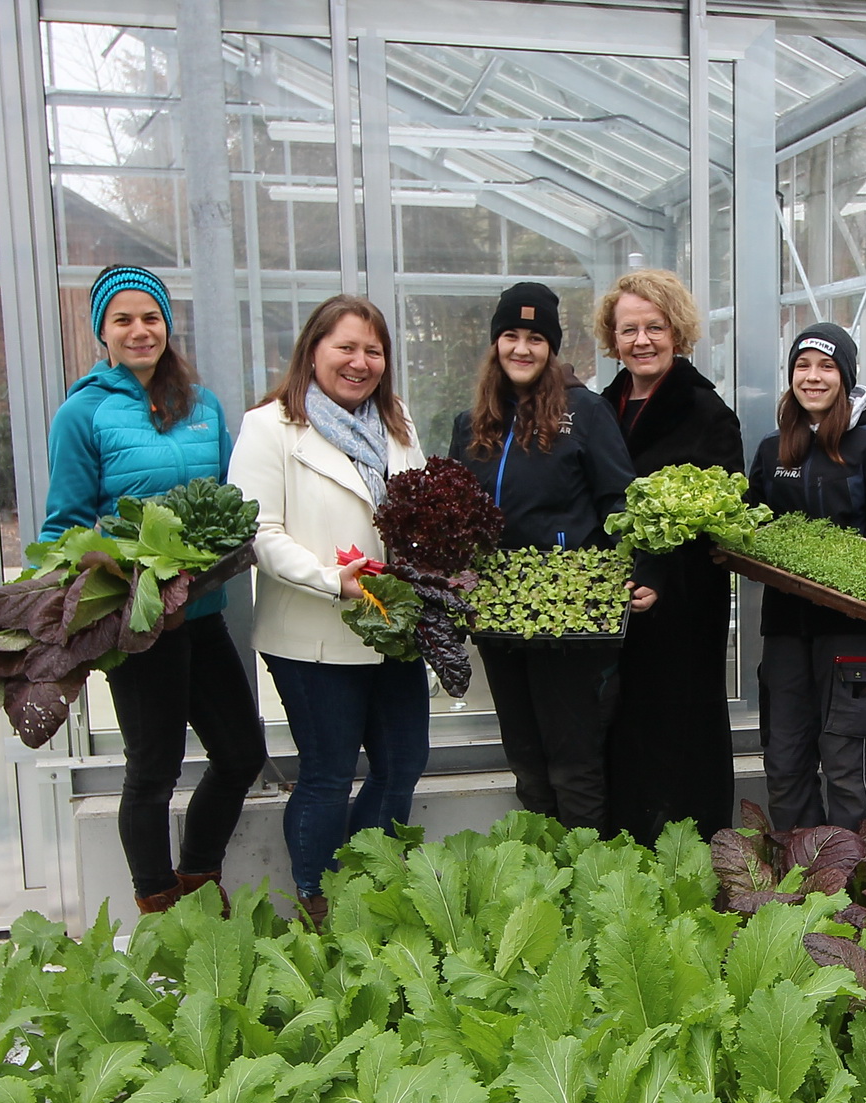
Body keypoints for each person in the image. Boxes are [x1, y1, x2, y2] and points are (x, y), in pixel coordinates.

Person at [40, 265, 265, 916]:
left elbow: (227, 494)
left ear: (167, 325)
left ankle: (198, 874)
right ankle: (157, 901)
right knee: (153, 770)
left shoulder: (202, 405)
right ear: (102, 333)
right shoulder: (82, 413)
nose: (140, 331)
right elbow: (64, 523)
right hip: (139, 621)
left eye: (151, 318)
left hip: (201, 612)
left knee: (240, 753)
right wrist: (101, 577)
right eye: (124, 320)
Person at [226, 295, 429, 922]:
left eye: (373, 350)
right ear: (313, 349)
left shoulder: (395, 419)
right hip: (313, 634)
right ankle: (317, 897)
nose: (360, 362)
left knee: (402, 764)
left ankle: (365, 880)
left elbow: (419, 503)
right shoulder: (270, 427)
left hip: (393, 627)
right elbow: (257, 530)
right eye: (346, 347)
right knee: (327, 774)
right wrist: (329, 579)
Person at [449, 282, 654, 833]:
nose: (522, 348)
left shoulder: (584, 412)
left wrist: (640, 572)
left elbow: (620, 501)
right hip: (496, 613)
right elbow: (458, 513)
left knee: (573, 757)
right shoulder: (472, 424)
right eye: (510, 336)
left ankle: (587, 869)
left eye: (535, 338)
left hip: (569, 616)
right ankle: (543, 871)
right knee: (524, 752)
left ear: (552, 347)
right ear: (495, 344)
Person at [595, 268, 743, 843]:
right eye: (628, 329)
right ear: (613, 339)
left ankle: (698, 856)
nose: (642, 341)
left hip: (681, 615)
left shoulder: (705, 412)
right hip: (613, 611)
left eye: (654, 327)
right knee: (623, 738)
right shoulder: (603, 408)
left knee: (683, 739)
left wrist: (664, 577)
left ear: (676, 332)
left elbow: (725, 525)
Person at [746, 323, 866, 829]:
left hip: (851, 634)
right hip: (787, 631)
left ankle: (850, 886)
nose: (812, 378)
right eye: (802, 366)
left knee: (844, 767)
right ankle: (797, 880)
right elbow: (752, 528)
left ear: (846, 376)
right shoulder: (773, 450)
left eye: (826, 367)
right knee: (784, 761)